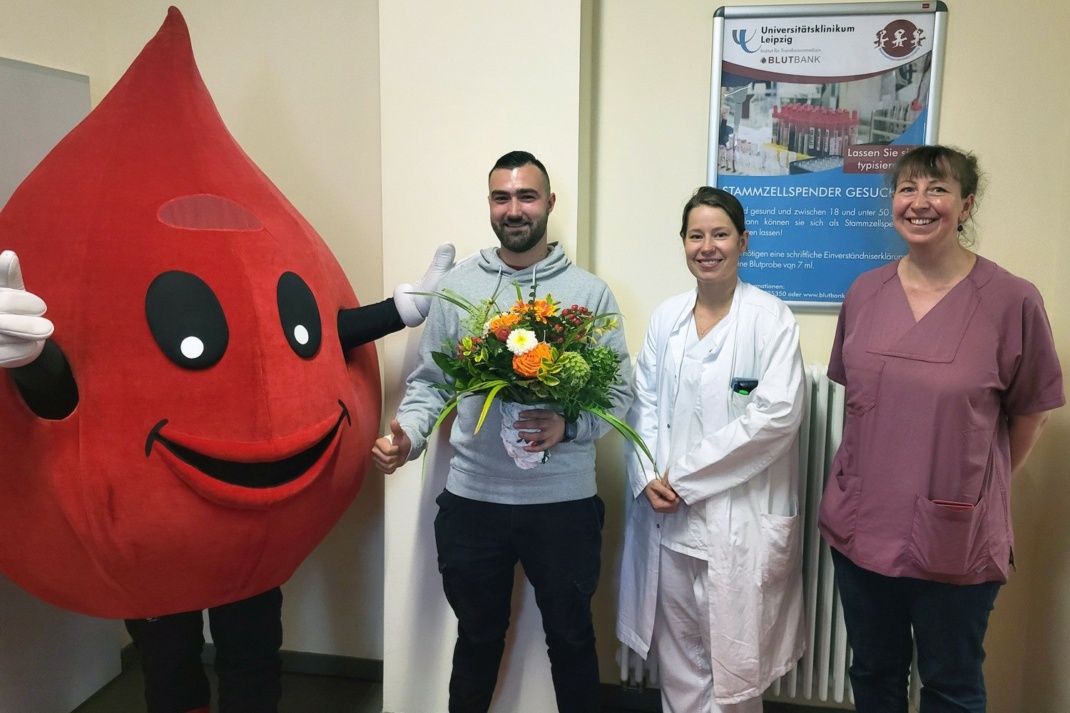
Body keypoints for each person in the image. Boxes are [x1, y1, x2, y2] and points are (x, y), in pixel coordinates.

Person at [0, 244, 455, 713]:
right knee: (169, 664)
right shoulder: (114, 270)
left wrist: (402, 310)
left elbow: (316, 335)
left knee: (251, 658)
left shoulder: (241, 251)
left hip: (248, 535)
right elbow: (83, 383)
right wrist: (33, 363)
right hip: (153, 538)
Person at [372, 150, 631, 713]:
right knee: (477, 638)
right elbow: (431, 383)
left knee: (572, 640)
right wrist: (408, 437)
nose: (514, 209)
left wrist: (568, 424)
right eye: (502, 197)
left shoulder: (590, 294)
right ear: (490, 204)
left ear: (549, 205)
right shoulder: (461, 287)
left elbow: (618, 394)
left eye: (526, 196)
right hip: (474, 501)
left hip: (563, 504)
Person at [818, 145, 1064, 713]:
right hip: (862, 525)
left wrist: (979, 486)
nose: (920, 203)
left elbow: (1031, 413)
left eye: (938, 190)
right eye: (907, 189)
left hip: (955, 534)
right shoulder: (864, 293)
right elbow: (861, 399)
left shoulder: (1012, 300)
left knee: (951, 685)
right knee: (874, 673)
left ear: (966, 204)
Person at [616, 186, 806, 712]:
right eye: (696, 235)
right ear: (682, 243)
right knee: (679, 662)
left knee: (734, 670)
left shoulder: (772, 321)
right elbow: (643, 405)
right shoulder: (666, 319)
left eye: (720, 234)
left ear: (743, 242)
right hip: (670, 524)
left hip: (735, 523)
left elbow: (776, 417)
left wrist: (683, 476)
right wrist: (649, 474)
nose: (708, 245)